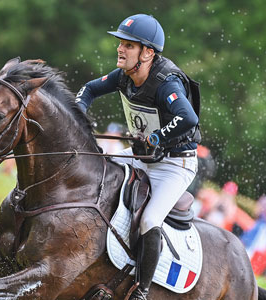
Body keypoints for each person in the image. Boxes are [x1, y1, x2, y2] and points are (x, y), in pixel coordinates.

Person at [76, 14, 201, 300]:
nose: (120, 49)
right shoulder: (124, 75)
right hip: (141, 156)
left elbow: (188, 118)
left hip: (174, 164)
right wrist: (78, 113)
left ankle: (141, 290)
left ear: (148, 52)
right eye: (121, 43)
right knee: (95, 171)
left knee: (150, 219)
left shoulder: (166, 83)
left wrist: (156, 138)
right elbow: (90, 90)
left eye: (129, 45)